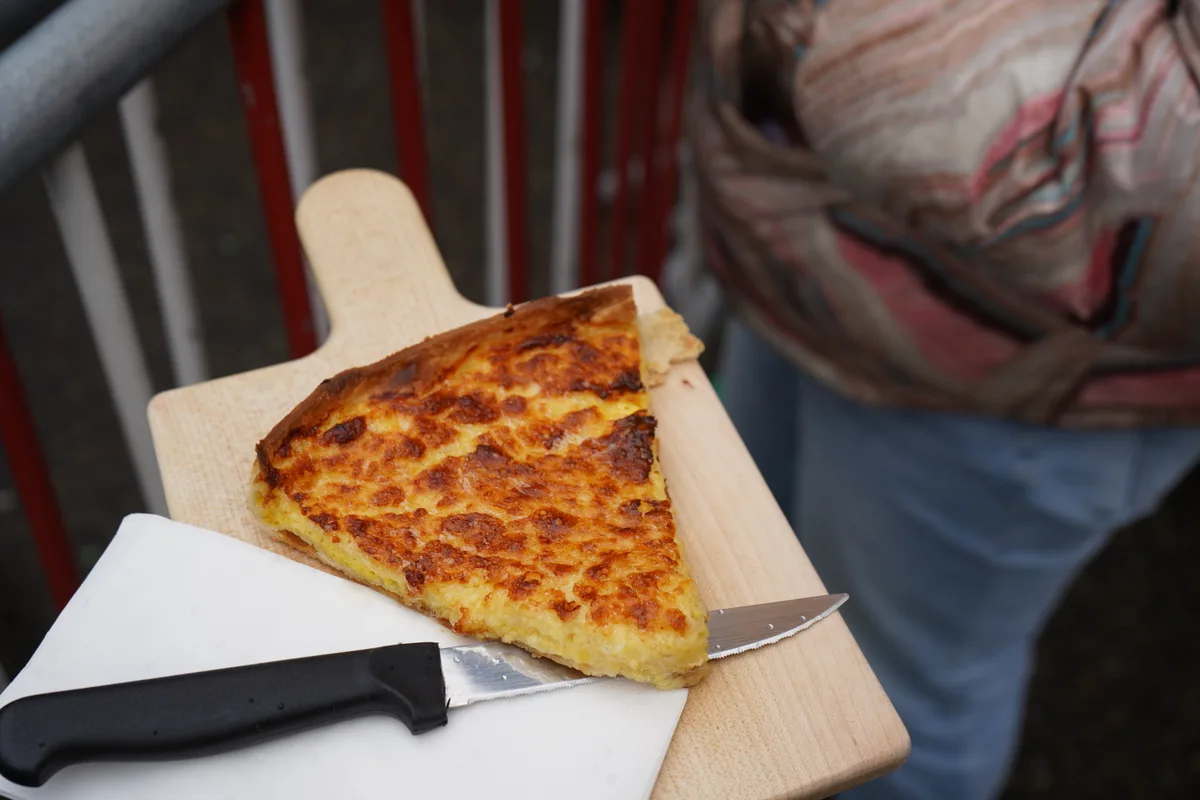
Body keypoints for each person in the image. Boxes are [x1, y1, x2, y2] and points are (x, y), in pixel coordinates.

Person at [688, 1, 1200, 798]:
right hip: (800, 253)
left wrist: (821, 31)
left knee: (895, 708)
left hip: (1018, 385)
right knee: (747, 591)